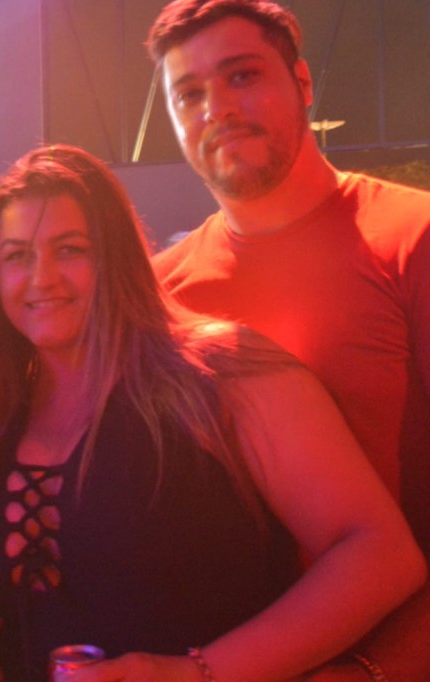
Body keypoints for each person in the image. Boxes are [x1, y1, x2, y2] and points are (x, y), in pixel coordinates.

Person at [0, 145, 425, 682]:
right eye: (16, 255)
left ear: (116, 256)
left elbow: (381, 556)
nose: (41, 277)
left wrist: (197, 672)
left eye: (69, 249)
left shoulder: (222, 374)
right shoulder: (3, 414)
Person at [146, 2, 430, 679]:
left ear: (302, 83)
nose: (216, 108)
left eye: (242, 76)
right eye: (189, 94)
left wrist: (378, 669)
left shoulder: (412, 240)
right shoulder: (159, 293)